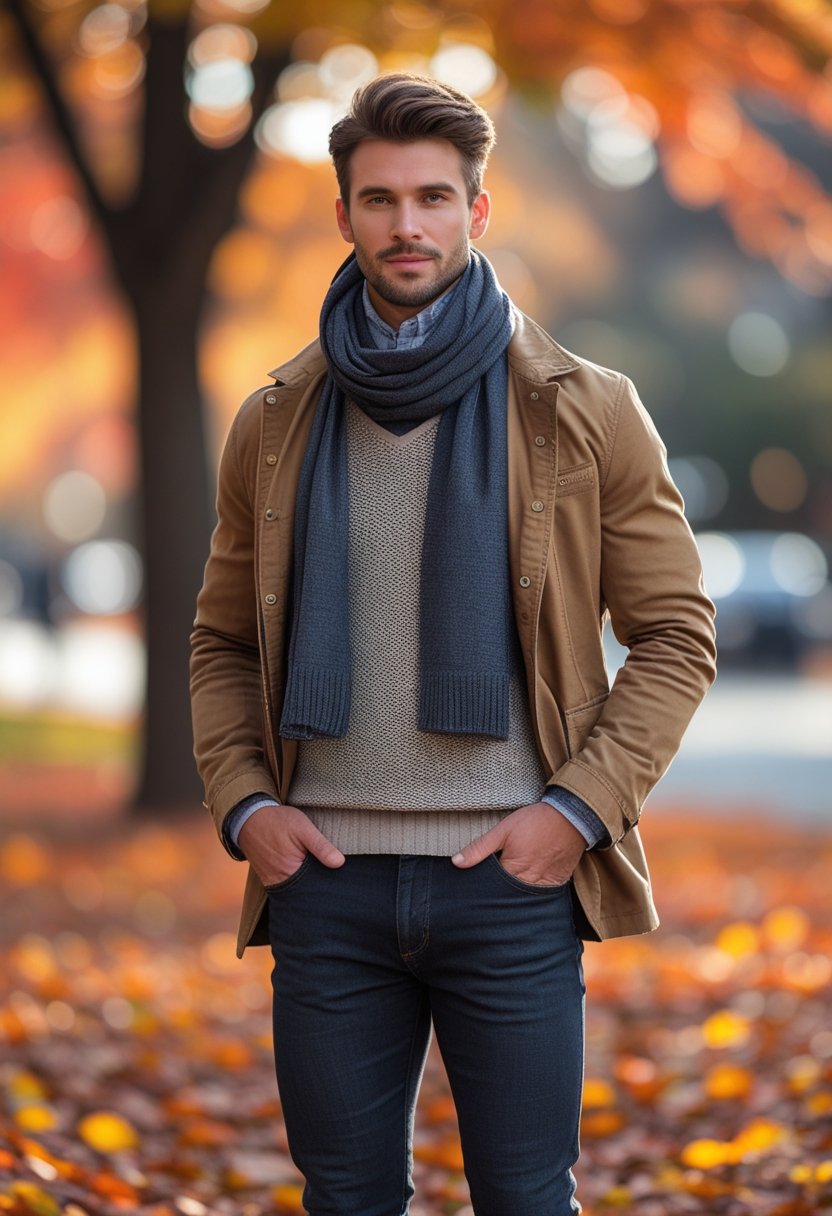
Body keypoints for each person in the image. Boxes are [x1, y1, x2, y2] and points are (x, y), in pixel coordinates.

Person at [190, 73, 716, 1216]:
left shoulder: (586, 408)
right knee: (345, 1198)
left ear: (476, 210)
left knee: (526, 1198)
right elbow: (222, 641)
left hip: (511, 882)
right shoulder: (275, 420)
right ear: (343, 214)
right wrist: (247, 806)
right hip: (324, 884)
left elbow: (676, 635)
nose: (406, 225)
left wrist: (573, 813)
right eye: (379, 200)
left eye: (433, 197)